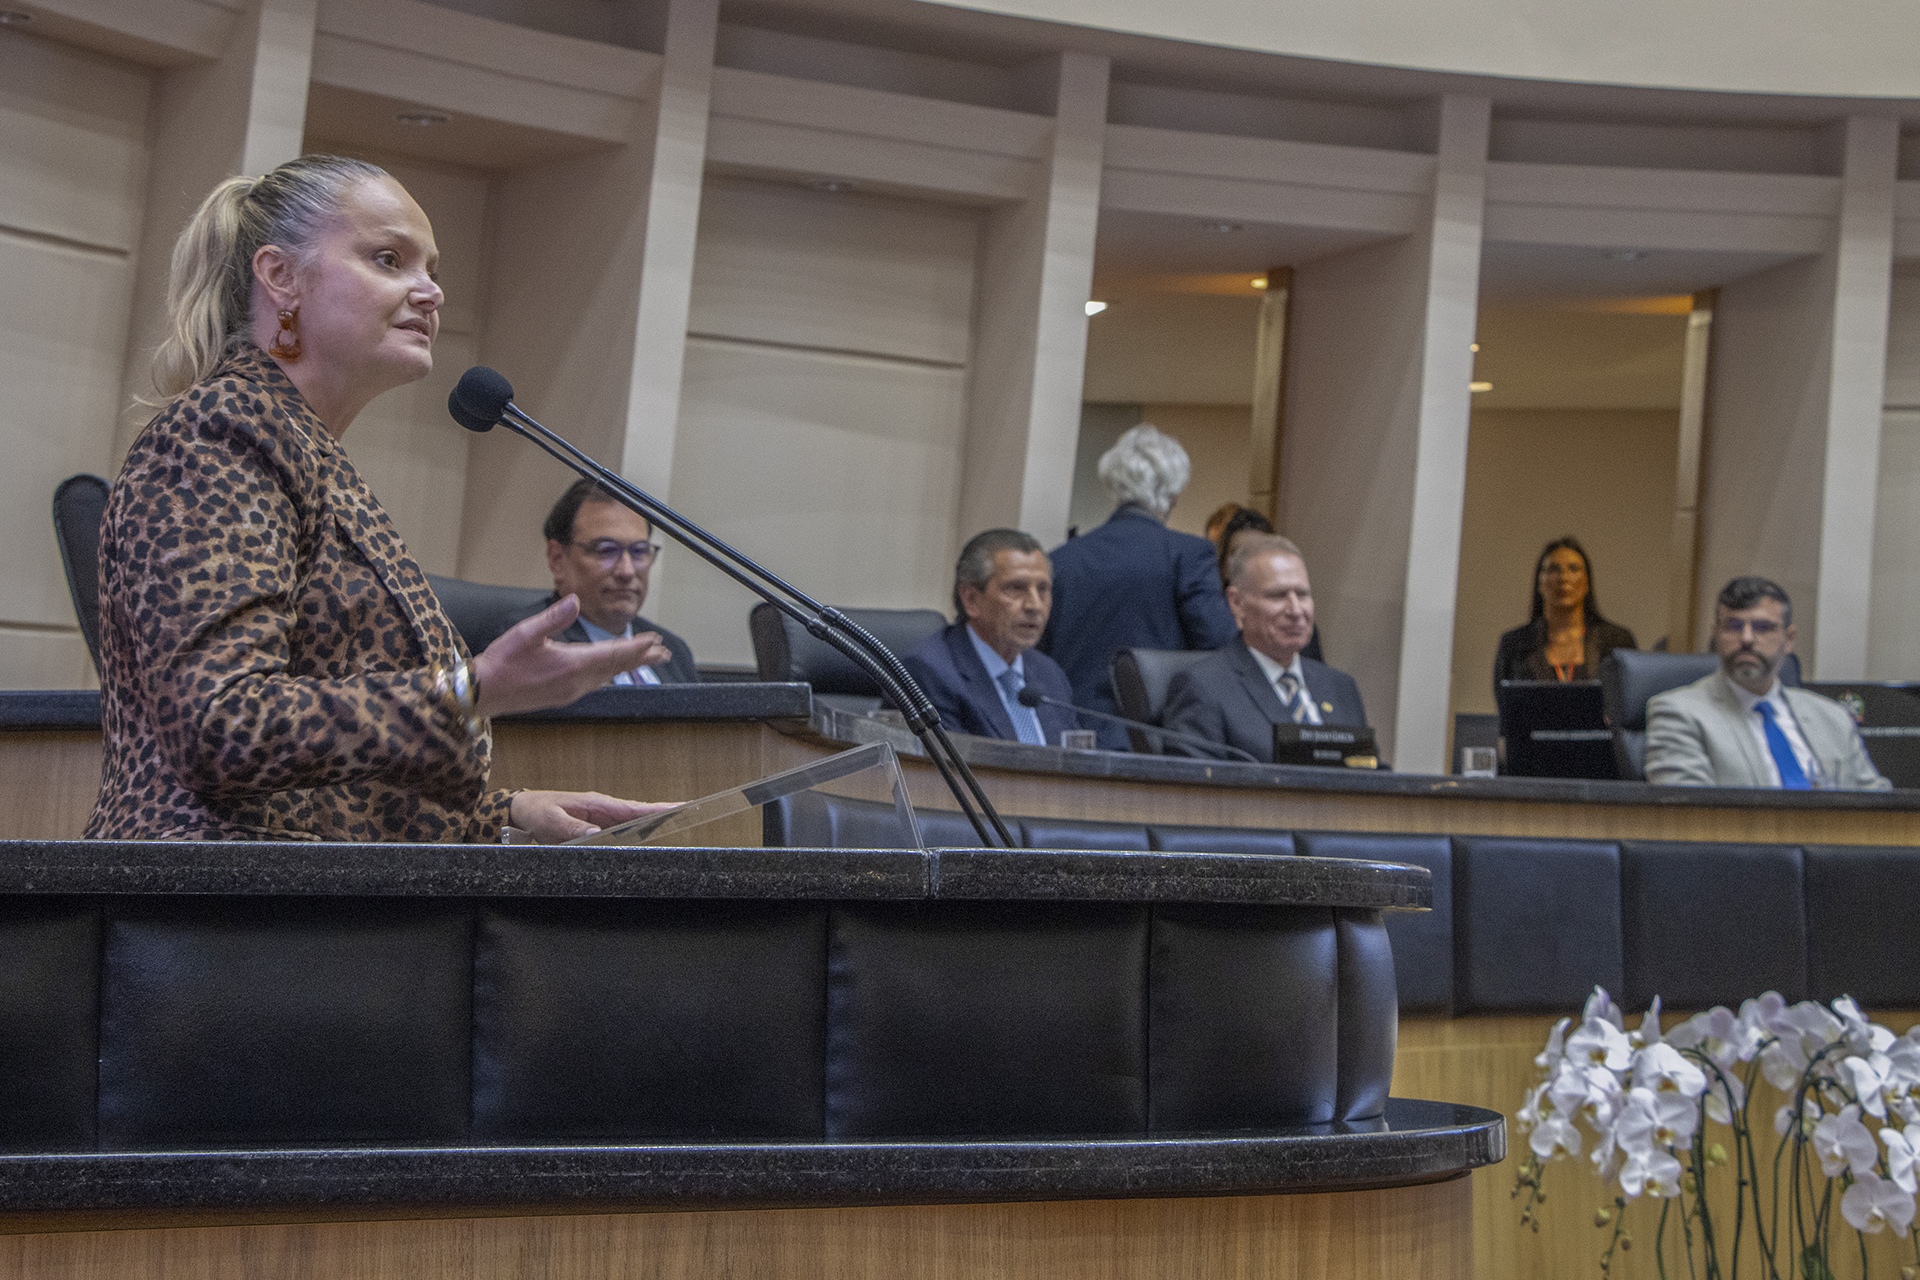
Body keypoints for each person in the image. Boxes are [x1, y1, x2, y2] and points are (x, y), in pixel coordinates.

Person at [85, 155, 676, 844]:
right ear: (281, 277)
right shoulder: (217, 437)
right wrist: (467, 690)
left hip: (297, 902)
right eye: (390, 260)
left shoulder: (308, 453)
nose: (430, 293)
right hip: (211, 911)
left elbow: (329, 776)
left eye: (432, 269)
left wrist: (504, 815)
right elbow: (221, 725)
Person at [1039, 424, 1237, 748]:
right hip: (1151, 744)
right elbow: (1220, 645)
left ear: (1113, 485)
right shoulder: (1188, 555)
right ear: (1173, 494)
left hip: (1065, 736)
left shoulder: (1061, 560)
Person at [1644, 577, 1888, 790]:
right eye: (1733, 626)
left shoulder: (1832, 717)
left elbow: (1878, 805)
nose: (1747, 639)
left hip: (1834, 842)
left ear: (1788, 639)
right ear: (1716, 635)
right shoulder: (1678, 713)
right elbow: (1688, 818)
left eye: (1763, 628)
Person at [1160, 534, 1367, 762]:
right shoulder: (1204, 688)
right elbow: (1195, 792)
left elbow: (1369, 775)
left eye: (1302, 594)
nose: (1296, 610)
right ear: (1237, 603)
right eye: (1277, 596)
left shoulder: (1341, 687)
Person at [900, 530, 1081, 745]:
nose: (1034, 605)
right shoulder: (930, 673)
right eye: (1015, 588)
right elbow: (944, 771)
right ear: (971, 600)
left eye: (1043, 589)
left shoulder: (1050, 674)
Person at [512, 479, 698, 685]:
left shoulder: (674, 651)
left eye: (639, 551)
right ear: (557, 558)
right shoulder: (529, 645)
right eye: (606, 550)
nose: (626, 572)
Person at [1493, 537, 1636, 694]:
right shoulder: (1514, 645)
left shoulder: (1617, 642)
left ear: (1586, 581)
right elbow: (1506, 709)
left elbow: (1628, 703)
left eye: (1573, 569)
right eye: (1554, 569)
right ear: (1540, 581)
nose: (1563, 578)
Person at [1207, 503, 1323, 662]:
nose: (1251, 564)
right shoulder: (1208, 620)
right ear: (1224, 564)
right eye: (1241, 553)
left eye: (1261, 554)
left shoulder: (1297, 622)